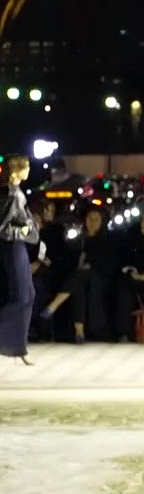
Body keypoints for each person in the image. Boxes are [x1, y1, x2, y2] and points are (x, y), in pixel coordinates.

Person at [0, 155, 39, 364]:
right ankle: (14, 345)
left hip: (18, 248)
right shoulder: (11, 195)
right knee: (22, 295)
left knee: (26, 294)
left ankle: (17, 346)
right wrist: (22, 230)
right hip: (13, 248)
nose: (29, 171)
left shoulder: (15, 193)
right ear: (18, 170)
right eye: (27, 167)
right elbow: (3, 227)